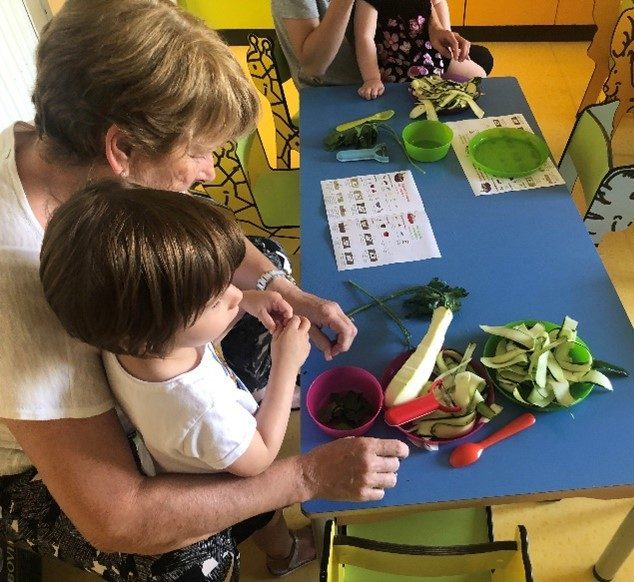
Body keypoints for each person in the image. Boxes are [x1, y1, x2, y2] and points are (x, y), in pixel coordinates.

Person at [0, 1, 409, 580]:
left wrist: (285, 290)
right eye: (196, 151)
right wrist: (303, 477)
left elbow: (188, 225)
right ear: (122, 149)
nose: (209, 170)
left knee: (262, 261)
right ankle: (257, 527)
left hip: (141, 364)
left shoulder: (71, 157)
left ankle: (252, 491)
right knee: (191, 554)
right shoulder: (15, 285)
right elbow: (115, 517)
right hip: (36, 461)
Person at [39, 183, 317, 576]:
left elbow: (192, 335)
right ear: (152, 329)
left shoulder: (132, 343)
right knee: (261, 516)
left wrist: (245, 303)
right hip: (220, 479)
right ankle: (286, 555)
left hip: (195, 450)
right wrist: (285, 364)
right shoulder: (203, 412)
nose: (235, 294)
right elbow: (261, 457)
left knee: (260, 517)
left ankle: (281, 550)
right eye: (216, 298)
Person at [271, 0, 493, 88]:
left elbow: (432, 2)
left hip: (391, 54)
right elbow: (313, 68)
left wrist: (437, 29)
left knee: (481, 59)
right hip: (342, 85)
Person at [353, 0, 486, 100]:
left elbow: (439, 2)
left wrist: (446, 33)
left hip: (432, 56)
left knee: (480, 78)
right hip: (396, 66)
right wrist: (371, 79)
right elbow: (364, 37)